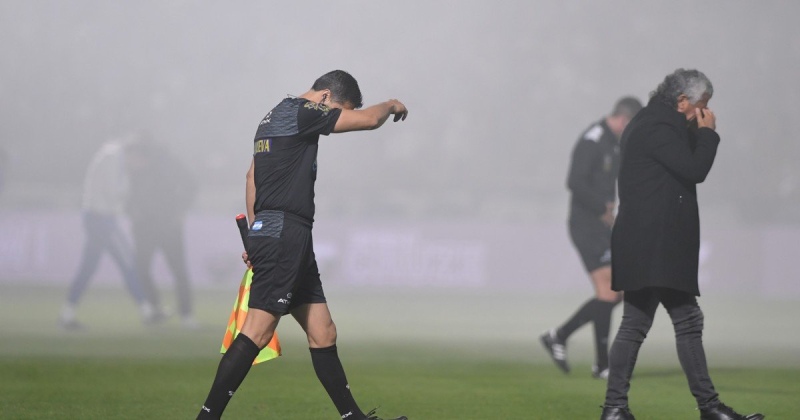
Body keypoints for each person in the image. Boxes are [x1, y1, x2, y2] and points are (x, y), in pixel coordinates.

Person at [196, 70, 409, 420]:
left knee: (323, 330)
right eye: (339, 110)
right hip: (285, 235)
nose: (335, 118)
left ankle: (353, 418)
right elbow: (370, 119)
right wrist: (391, 104)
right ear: (325, 97)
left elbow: (252, 177)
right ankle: (207, 417)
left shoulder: (272, 117)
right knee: (257, 330)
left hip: (279, 232)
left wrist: (255, 232)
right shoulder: (304, 112)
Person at [599, 69, 764, 420]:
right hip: (654, 243)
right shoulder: (658, 127)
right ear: (683, 100)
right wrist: (707, 134)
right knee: (664, 323)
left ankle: (620, 408)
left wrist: (694, 128)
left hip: (649, 241)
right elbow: (694, 168)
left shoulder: (653, 122)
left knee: (658, 323)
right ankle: (704, 408)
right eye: (702, 105)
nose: (705, 113)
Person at [540, 97, 642, 380]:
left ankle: (559, 336)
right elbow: (574, 181)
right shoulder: (593, 139)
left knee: (617, 292)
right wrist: (601, 208)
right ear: (623, 119)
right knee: (610, 290)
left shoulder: (614, 142)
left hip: (601, 227)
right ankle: (602, 365)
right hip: (586, 225)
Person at [59, 139, 155, 329]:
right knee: (127, 262)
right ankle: (147, 310)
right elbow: (113, 192)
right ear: (135, 155)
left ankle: (67, 312)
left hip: (98, 217)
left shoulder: (112, 157)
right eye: (140, 162)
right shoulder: (113, 160)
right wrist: (128, 199)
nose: (138, 167)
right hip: (102, 219)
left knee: (90, 266)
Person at [126, 135, 199, 328]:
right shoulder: (135, 173)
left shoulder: (168, 166)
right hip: (145, 228)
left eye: (133, 156)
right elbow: (130, 196)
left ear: (144, 154)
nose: (130, 161)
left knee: (179, 271)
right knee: (141, 269)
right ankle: (156, 308)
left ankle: (186, 315)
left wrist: (181, 210)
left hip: (168, 226)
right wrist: (132, 212)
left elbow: (191, 184)